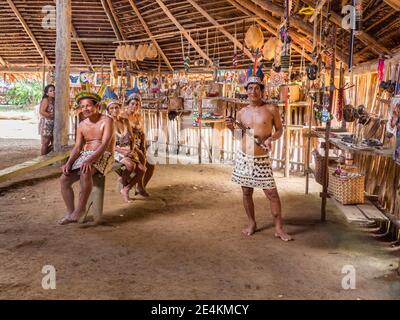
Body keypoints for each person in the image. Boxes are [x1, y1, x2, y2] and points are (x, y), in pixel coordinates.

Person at [225, 76, 292, 241]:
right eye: (250, 88)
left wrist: (271, 139)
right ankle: (252, 223)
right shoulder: (241, 113)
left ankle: (279, 228)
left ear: (262, 91)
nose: (253, 91)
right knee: (246, 191)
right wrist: (229, 129)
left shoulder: (271, 109)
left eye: (256, 88)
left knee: (272, 194)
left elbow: (279, 130)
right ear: (246, 91)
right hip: (244, 157)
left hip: (261, 159)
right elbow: (239, 137)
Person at [59, 91, 115, 225]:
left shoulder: (107, 120)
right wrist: (69, 163)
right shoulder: (82, 125)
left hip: (104, 154)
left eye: (88, 105)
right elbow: (78, 147)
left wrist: (90, 160)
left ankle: (81, 209)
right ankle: (71, 213)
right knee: (64, 180)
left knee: (86, 171)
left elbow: (105, 143)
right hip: (85, 155)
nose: (85, 109)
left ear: (97, 106)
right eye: (82, 106)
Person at [106, 100, 147, 202]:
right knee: (130, 165)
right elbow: (107, 145)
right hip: (115, 151)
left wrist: (132, 150)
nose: (115, 110)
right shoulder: (107, 123)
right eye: (112, 108)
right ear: (108, 111)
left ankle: (126, 188)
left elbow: (132, 139)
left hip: (128, 150)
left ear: (120, 108)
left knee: (142, 169)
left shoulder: (125, 121)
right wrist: (123, 152)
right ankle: (124, 184)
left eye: (116, 107)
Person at [124, 93, 155, 194]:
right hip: (128, 145)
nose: (135, 106)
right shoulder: (123, 116)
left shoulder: (138, 117)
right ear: (128, 104)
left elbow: (143, 133)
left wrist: (144, 147)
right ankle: (139, 186)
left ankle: (141, 185)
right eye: (132, 104)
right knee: (141, 161)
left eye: (137, 104)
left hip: (139, 144)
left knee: (151, 163)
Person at [38, 84, 55, 155]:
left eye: (54, 90)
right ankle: (43, 159)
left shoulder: (54, 100)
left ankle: (48, 158)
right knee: (45, 142)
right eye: (51, 91)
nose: (53, 92)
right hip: (46, 123)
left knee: (54, 142)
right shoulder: (46, 100)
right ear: (47, 93)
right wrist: (51, 116)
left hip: (53, 123)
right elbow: (41, 111)